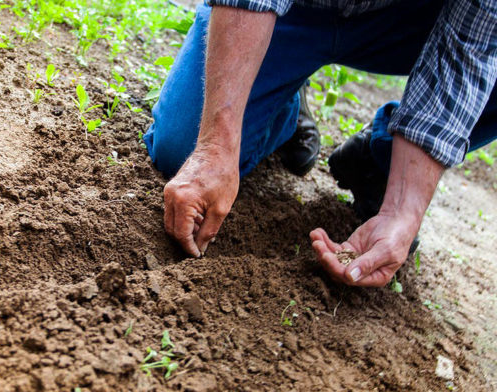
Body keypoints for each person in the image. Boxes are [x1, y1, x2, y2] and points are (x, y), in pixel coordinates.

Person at [143, 0, 497, 287]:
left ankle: (382, 162)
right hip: (292, 11)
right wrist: (215, 147)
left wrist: (402, 211)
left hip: (407, 22)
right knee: (182, 148)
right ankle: (283, 105)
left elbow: (471, 50)